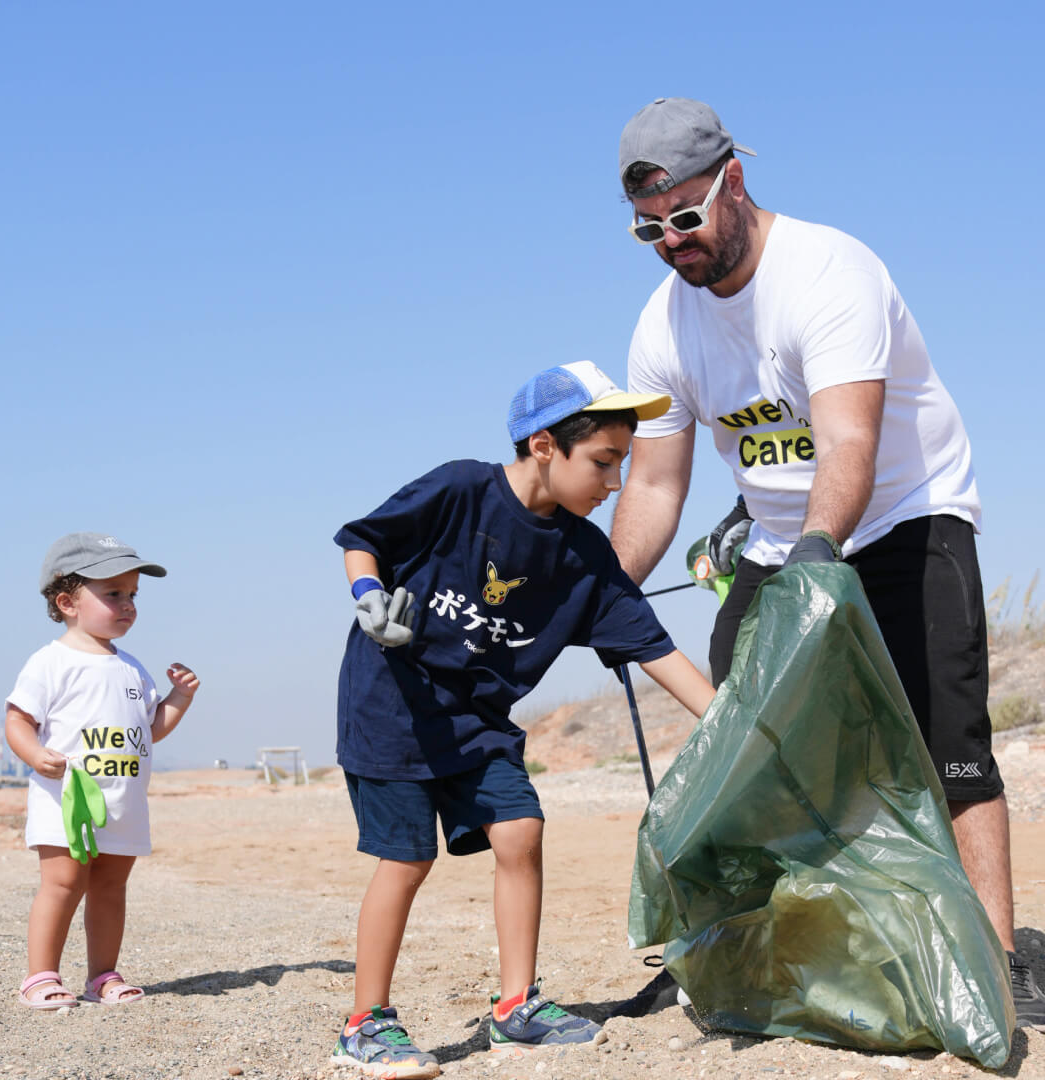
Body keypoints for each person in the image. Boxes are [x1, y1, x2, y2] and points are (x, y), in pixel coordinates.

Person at [608, 96, 1045, 1029]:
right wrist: (603, 590)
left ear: (733, 181)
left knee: (948, 743)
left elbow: (849, 441)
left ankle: (1000, 959)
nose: (671, 242)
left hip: (904, 516)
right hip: (778, 540)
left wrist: (818, 552)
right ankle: (727, 954)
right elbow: (652, 484)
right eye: (649, 228)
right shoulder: (661, 327)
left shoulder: (828, 271)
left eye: (684, 217)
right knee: (746, 757)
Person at [331, 360, 716, 1077]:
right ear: (544, 445)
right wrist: (367, 595)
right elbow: (364, 539)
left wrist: (728, 722)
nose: (615, 483)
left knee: (520, 829)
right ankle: (365, 1024)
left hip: (478, 718)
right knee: (408, 859)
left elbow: (655, 648)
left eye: (622, 464)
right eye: (603, 461)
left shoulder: (584, 554)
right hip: (393, 704)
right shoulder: (461, 489)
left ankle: (515, 1010)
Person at [6, 533, 200, 1009]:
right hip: (67, 801)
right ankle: (40, 976)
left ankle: (102, 975)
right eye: (113, 593)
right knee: (63, 884)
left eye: (133, 594)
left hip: (123, 802)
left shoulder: (131, 668)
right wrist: (34, 754)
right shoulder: (51, 662)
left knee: (111, 888)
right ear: (67, 602)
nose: (128, 604)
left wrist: (180, 698)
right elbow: (18, 719)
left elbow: (149, 730)